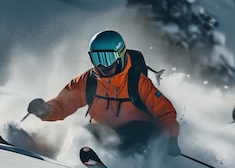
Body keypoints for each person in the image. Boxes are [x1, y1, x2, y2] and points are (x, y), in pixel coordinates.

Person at [26, 30, 181, 156]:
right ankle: (44, 146)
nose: (100, 65)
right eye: (96, 58)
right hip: (104, 131)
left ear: (119, 56)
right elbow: (64, 103)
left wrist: (170, 139)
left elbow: (165, 111)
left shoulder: (138, 82)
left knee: (140, 133)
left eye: (106, 59)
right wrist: (46, 110)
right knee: (84, 133)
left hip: (138, 134)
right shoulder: (89, 80)